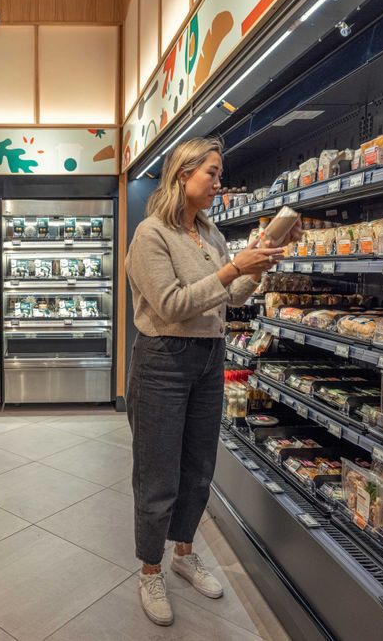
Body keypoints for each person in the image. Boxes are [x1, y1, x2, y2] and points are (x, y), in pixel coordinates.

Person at [124, 137, 301, 626]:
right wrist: (230, 269)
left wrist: (259, 267)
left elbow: (231, 299)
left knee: (199, 464)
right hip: (163, 359)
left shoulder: (211, 232)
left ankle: (184, 553)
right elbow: (172, 305)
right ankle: (150, 570)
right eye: (213, 174)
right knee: (158, 472)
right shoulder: (150, 235)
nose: (219, 185)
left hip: (209, 356)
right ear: (183, 175)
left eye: (220, 175)